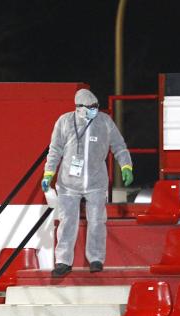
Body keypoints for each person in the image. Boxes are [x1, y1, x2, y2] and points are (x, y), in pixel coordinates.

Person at [42, 88, 133, 278]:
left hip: (96, 182)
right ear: (79, 108)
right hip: (68, 183)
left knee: (97, 221)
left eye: (96, 106)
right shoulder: (65, 122)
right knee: (67, 222)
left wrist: (126, 166)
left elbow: (119, 145)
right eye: (91, 107)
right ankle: (63, 261)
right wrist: (48, 173)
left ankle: (96, 259)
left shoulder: (104, 122)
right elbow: (55, 149)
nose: (95, 110)